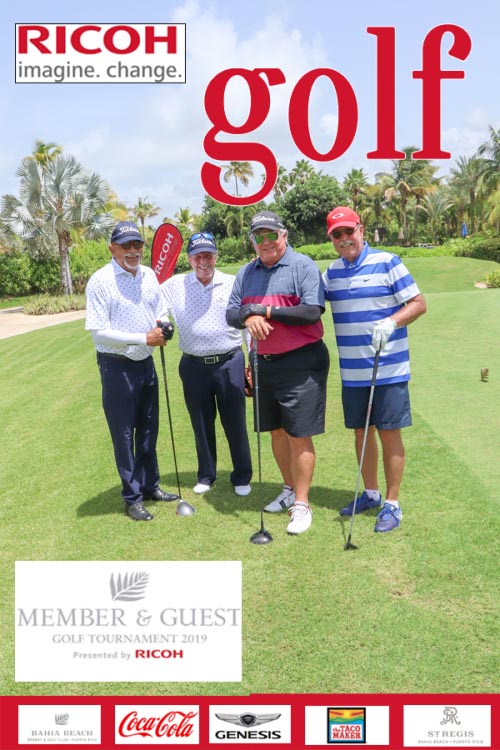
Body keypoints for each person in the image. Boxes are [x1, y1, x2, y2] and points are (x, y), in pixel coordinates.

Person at [322, 207, 427, 532]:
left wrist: (391, 321)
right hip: (353, 373)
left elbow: (418, 303)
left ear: (361, 230)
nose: (344, 239)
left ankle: (392, 505)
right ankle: (371, 493)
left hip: (388, 369)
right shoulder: (331, 273)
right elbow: (309, 306)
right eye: (337, 234)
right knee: (362, 432)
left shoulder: (388, 262)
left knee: (389, 432)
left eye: (348, 231)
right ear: (331, 239)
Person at [226, 210, 330, 535]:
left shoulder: (302, 265)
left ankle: (302, 503)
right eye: (259, 236)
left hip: (301, 362)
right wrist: (248, 317)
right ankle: (288, 488)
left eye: (272, 234)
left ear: (284, 235)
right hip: (263, 363)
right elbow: (231, 312)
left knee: (299, 434)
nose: (266, 241)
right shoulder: (246, 273)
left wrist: (266, 311)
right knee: (276, 432)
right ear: (252, 241)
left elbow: (311, 311)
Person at [85, 221, 179, 522]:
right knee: (124, 433)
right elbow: (99, 333)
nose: (133, 250)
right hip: (116, 366)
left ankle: (151, 486)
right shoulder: (100, 281)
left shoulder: (149, 275)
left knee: (149, 428)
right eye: (125, 245)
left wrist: (164, 325)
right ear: (112, 249)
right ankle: (133, 497)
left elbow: (159, 309)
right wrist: (143, 338)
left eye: (137, 244)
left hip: (145, 362)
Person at [161, 232, 253, 496]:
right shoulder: (174, 285)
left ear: (216, 256)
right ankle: (206, 475)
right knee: (200, 422)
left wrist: (252, 358)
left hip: (230, 361)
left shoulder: (233, 283)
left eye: (208, 255)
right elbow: (156, 306)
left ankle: (242, 476)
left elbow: (247, 322)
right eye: (198, 256)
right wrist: (161, 323)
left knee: (235, 422)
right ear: (189, 259)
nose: (204, 261)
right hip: (193, 365)